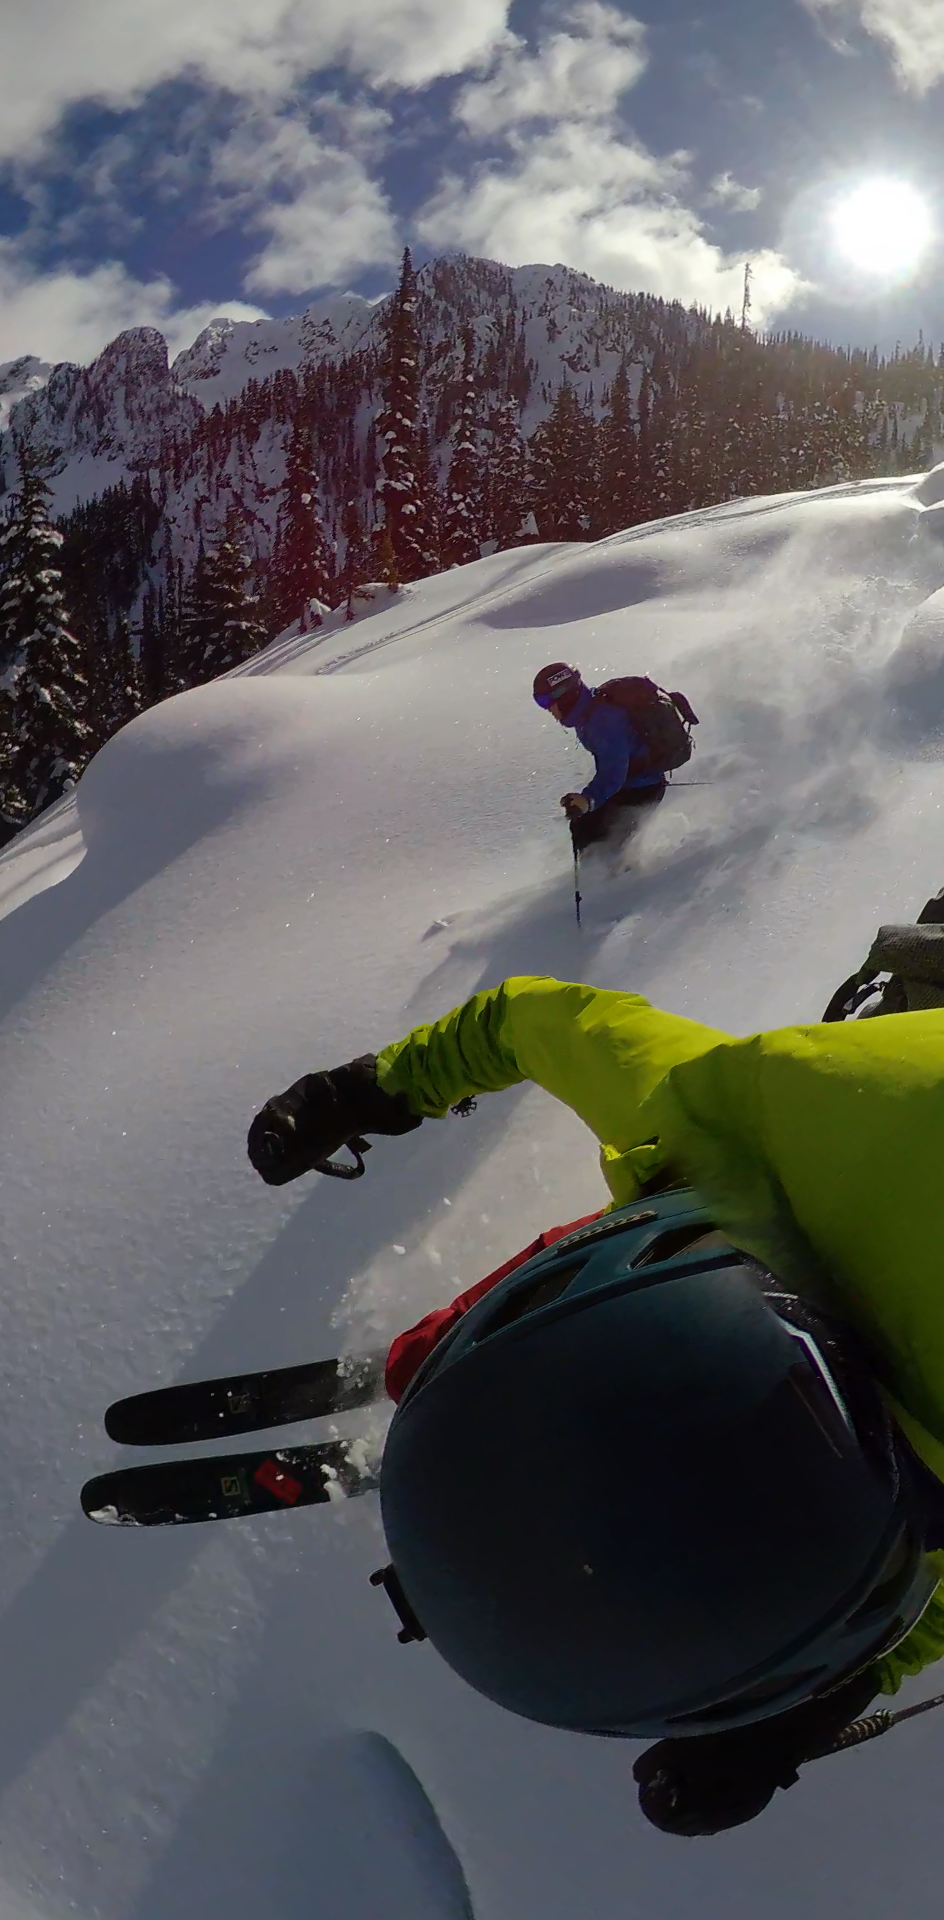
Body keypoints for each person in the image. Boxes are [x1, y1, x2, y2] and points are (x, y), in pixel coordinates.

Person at [247, 966, 944, 1834]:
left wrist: (366, 1091)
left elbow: (533, 1020)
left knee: (608, 1272)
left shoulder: (710, 1119)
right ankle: (498, 1355)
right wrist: (813, 1709)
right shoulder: (711, 1115)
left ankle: (503, 1355)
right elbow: (538, 1021)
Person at [532, 662, 681, 857]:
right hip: (630, 786)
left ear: (565, 696)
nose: (548, 709)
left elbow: (613, 774)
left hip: (641, 790)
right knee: (585, 827)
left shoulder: (603, 722)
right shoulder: (588, 713)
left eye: (546, 702)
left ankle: (617, 874)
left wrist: (587, 799)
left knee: (603, 842)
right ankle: (607, 870)